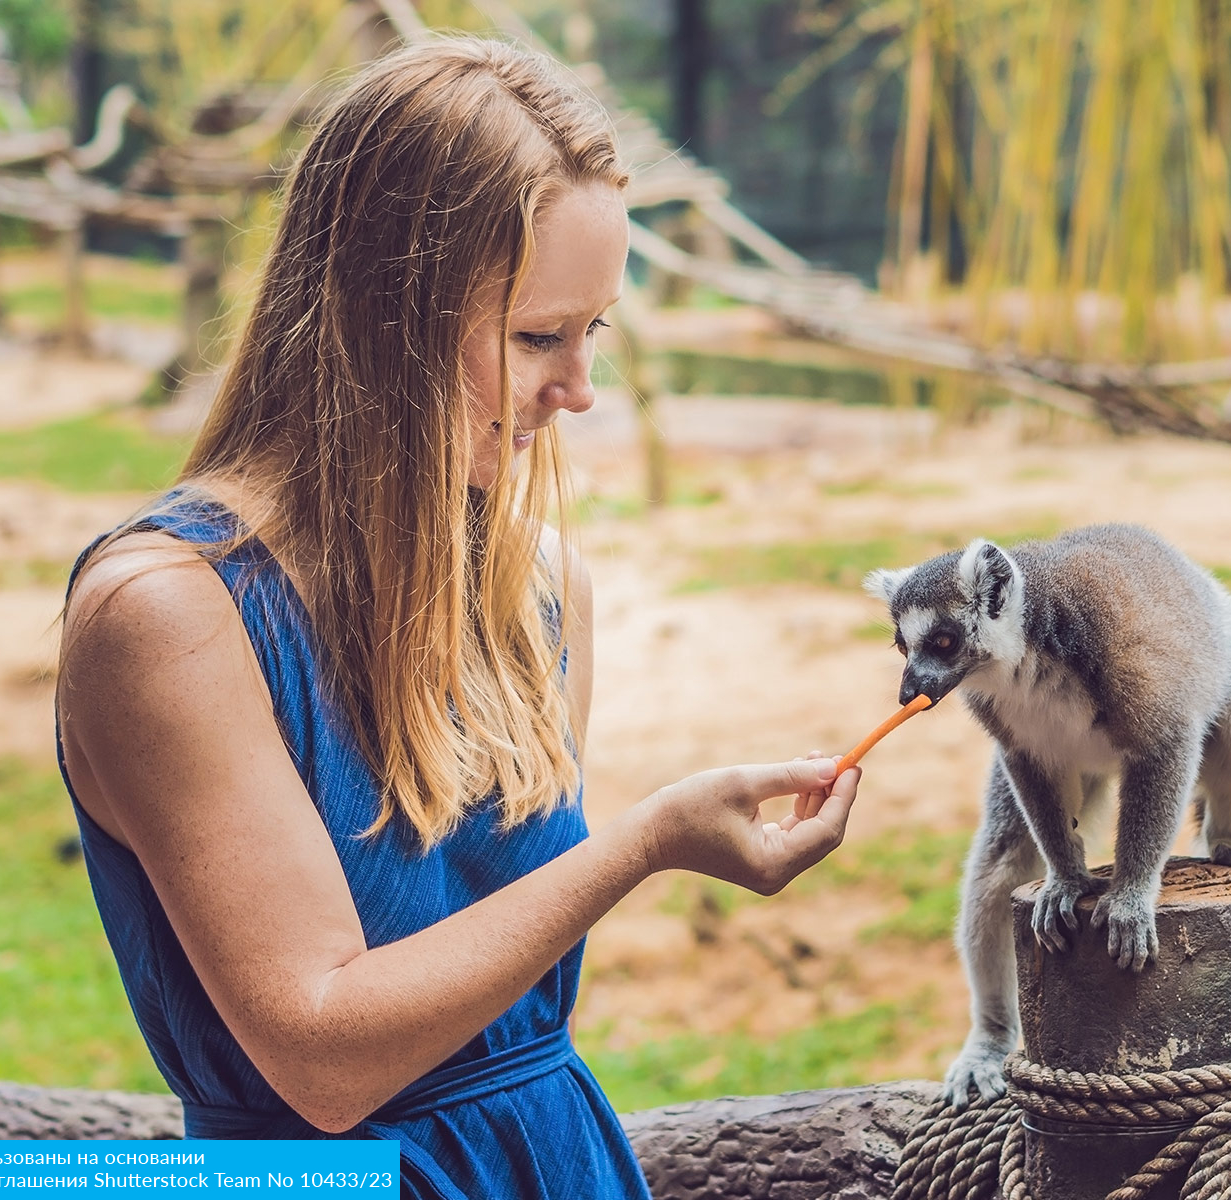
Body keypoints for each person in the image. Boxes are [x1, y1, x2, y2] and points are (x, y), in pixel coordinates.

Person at [54, 37, 862, 1200]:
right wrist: (643, 846)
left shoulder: (541, 587)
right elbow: (323, 1059)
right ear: (377, 314)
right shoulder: (168, 615)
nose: (578, 391)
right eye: (538, 337)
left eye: (597, 333)